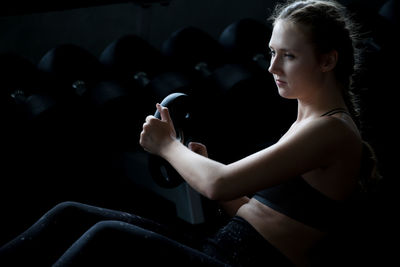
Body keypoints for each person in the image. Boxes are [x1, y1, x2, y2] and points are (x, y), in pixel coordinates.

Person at [0, 0, 379, 266]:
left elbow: (220, 185)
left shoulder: (332, 131)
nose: (272, 67)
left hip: (246, 261)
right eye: (271, 52)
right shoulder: (306, 121)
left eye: (289, 56)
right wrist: (202, 162)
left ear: (328, 60)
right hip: (227, 245)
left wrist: (168, 147)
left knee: (108, 236)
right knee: (71, 213)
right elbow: (253, 209)